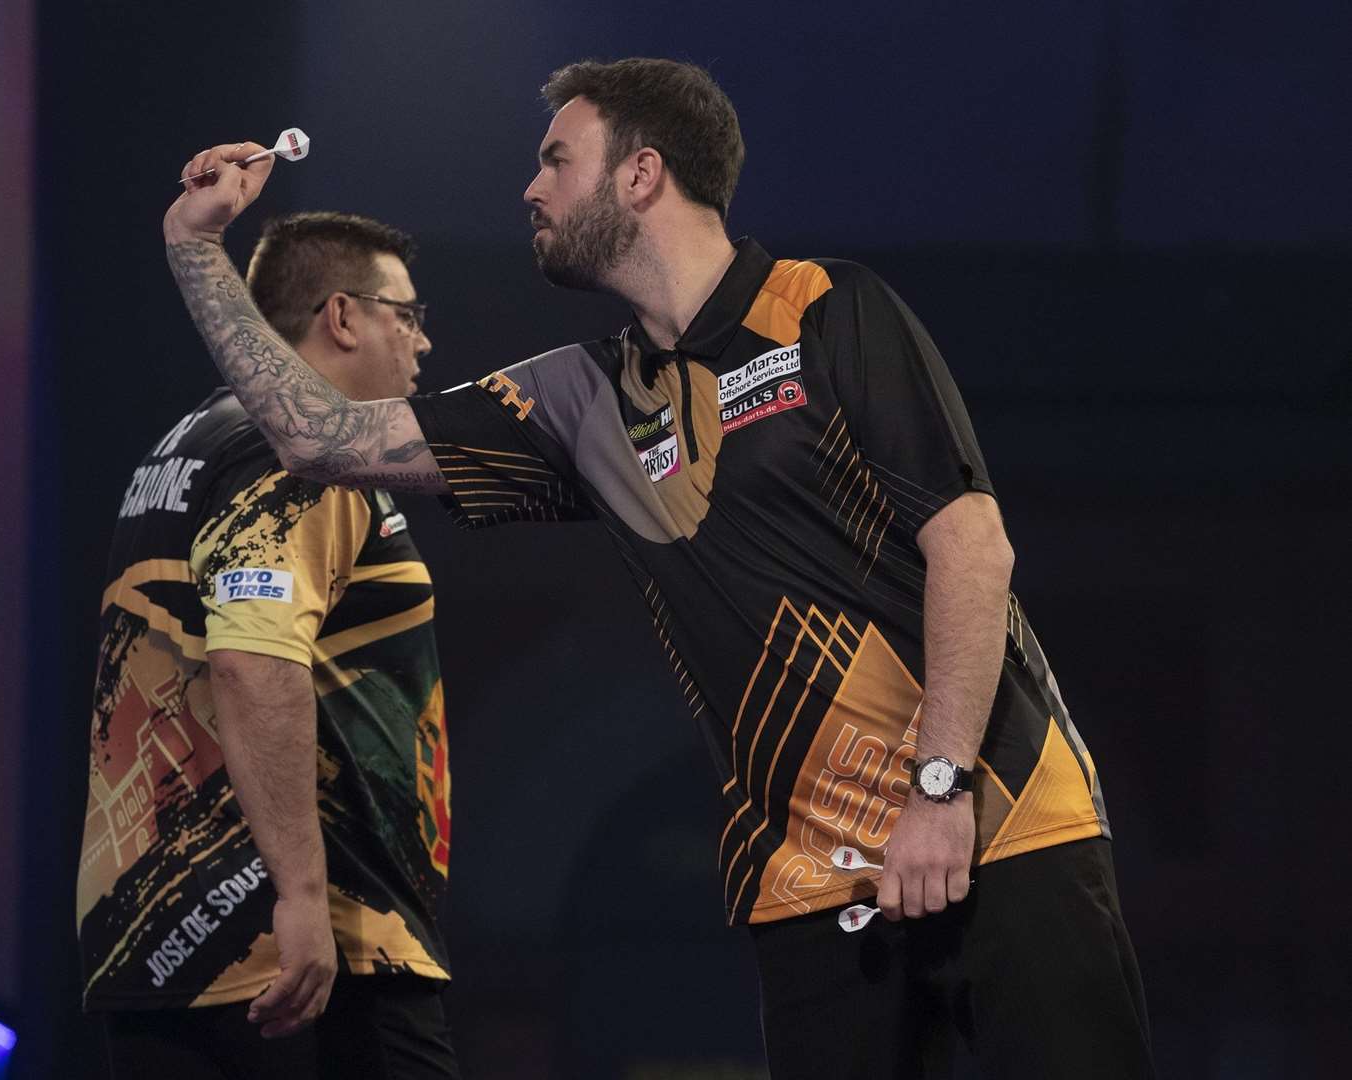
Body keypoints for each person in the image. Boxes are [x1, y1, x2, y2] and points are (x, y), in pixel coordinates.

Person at [161, 59, 1155, 1079]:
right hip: (805, 884)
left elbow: (972, 547)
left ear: (640, 176)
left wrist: (940, 790)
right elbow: (320, 439)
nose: (530, 190)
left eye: (556, 160)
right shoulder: (583, 398)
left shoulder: (828, 309)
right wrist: (198, 248)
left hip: (1003, 824)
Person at [77, 211, 460, 1079]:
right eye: (408, 313)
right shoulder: (302, 457)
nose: (424, 342)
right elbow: (253, 660)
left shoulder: (189, 443)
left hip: (159, 950)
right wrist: (302, 896)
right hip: (310, 966)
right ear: (343, 316)